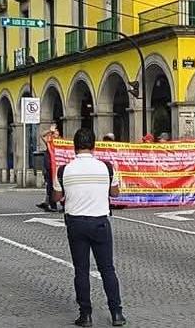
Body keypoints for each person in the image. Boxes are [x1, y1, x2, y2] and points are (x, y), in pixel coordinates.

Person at [60, 128, 125, 327]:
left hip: (76, 223)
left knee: (81, 270)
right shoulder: (106, 167)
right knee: (107, 269)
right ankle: (116, 314)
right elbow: (115, 194)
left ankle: (85, 315)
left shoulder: (64, 169)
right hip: (100, 222)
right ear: (94, 146)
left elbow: (56, 197)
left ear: (74, 147)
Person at [37, 127, 60, 212]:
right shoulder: (50, 142)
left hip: (58, 168)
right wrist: (50, 130)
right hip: (50, 167)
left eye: (56, 131)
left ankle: (50, 204)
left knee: (56, 187)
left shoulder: (61, 142)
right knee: (49, 186)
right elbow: (42, 135)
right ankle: (51, 204)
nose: (55, 133)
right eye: (54, 133)